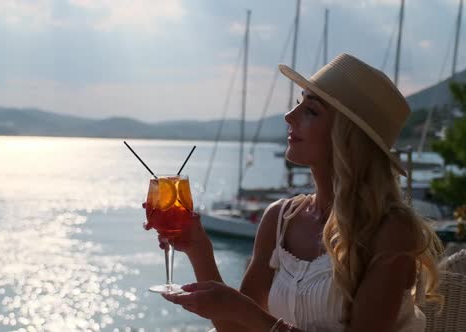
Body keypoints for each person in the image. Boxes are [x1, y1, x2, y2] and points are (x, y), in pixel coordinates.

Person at [145, 53, 443, 332]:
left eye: (311, 110)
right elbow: (236, 329)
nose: (289, 115)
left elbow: (249, 318)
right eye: (299, 103)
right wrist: (199, 248)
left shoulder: (390, 231)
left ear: (347, 136)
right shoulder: (280, 218)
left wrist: (250, 313)